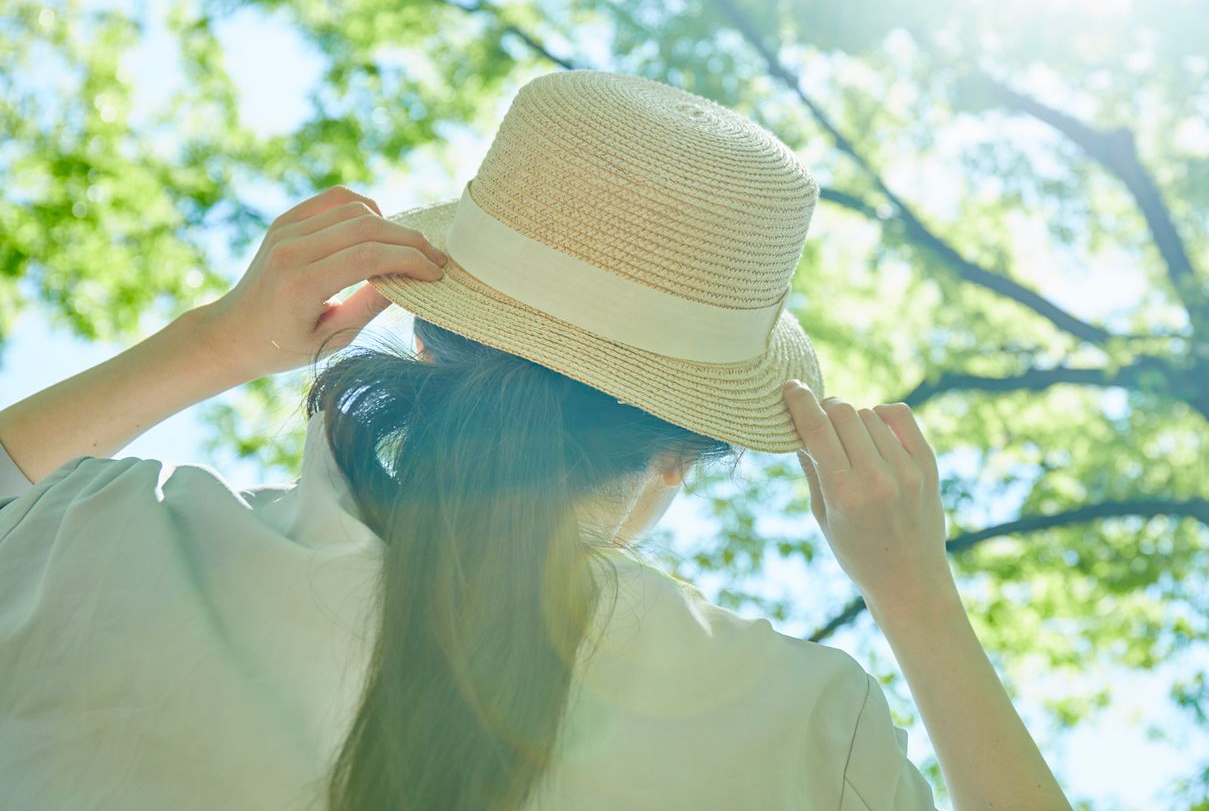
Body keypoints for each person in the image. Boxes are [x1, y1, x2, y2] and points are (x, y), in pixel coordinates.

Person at [0, 70, 1071, 810]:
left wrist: (211, 345)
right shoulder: (803, 725)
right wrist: (917, 599)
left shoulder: (106, 542)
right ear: (677, 455)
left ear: (425, 333)